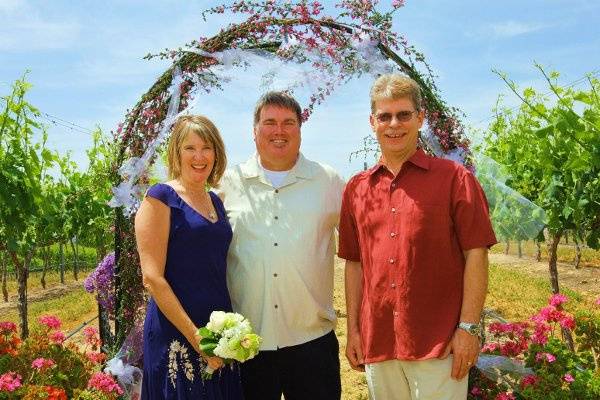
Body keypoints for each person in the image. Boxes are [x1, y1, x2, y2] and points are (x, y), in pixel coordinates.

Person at [339, 74, 497, 400]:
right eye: (385, 116)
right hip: (379, 341)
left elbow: (476, 255)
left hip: (439, 342)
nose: (394, 124)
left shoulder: (455, 179)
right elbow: (354, 265)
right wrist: (354, 331)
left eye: (404, 114)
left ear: (420, 118)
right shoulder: (357, 189)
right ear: (373, 122)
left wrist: (468, 328)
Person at [215, 91, 345, 400]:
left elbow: (363, 250)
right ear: (254, 130)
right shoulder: (225, 184)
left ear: (300, 129)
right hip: (245, 344)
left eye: (289, 122)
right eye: (269, 122)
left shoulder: (328, 181)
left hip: (312, 340)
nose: (279, 131)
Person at [135, 115, 244, 399]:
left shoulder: (216, 201)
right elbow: (152, 278)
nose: (199, 156)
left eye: (207, 148)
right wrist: (198, 339)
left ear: (216, 153)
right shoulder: (160, 198)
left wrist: (223, 336)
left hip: (218, 329)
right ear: (176, 152)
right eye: (190, 148)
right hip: (178, 333)